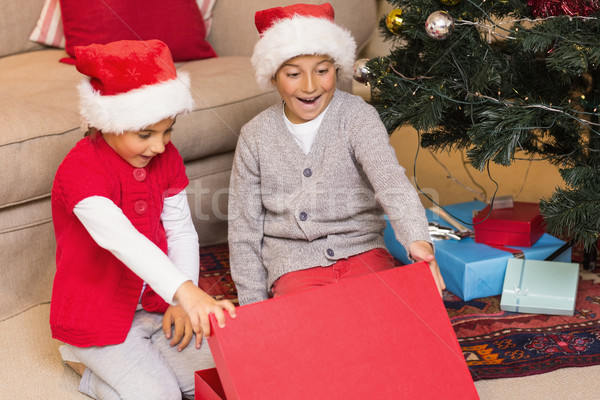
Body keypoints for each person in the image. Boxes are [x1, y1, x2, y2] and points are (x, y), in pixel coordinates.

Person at [50, 39, 236, 400]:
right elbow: (122, 240)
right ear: (107, 122)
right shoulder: (80, 170)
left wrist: (181, 302)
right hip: (97, 316)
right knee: (159, 395)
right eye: (145, 134)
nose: (159, 146)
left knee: (216, 376)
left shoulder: (166, 158)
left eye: (168, 131)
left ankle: (121, 363)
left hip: (153, 304)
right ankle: (85, 364)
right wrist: (187, 293)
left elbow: (181, 229)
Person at [228, 3, 446, 306]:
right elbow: (244, 228)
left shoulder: (358, 116)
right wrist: (253, 306)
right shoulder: (255, 135)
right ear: (273, 77)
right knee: (310, 338)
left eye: (322, 71)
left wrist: (417, 240)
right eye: (293, 74)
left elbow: (391, 182)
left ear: (337, 69)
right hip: (294, 265)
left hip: (363, 253)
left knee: (393, 322)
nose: (310, 86)